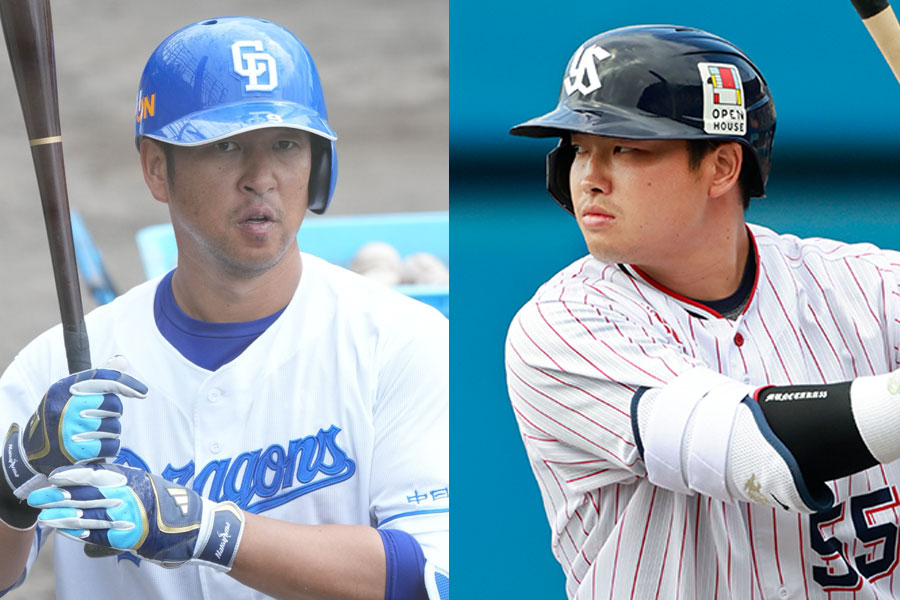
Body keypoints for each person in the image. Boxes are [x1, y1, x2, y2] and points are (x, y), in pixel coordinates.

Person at [0, 16, 448, 600]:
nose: (260, 177)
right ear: (157, 168)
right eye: (226, 144)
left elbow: (429, 577)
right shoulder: (54, 370)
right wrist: (13, 487)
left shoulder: (401, 340)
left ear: (317, 167)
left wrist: (211, 530)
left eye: (286, 144)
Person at [506, 23, 900, 599]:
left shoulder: (861, 282)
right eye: (579, 150)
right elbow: (756, 451)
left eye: (626, 148)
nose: (590, 177)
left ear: (721, 167)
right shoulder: (559, 327)